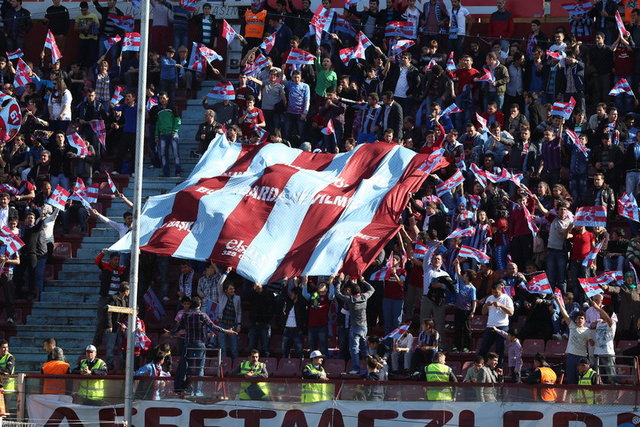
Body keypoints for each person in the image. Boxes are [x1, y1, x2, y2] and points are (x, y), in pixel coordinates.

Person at [168, 296, 237, 395]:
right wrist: (226, 330)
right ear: (200, 305)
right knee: (200, 368)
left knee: (189, 367)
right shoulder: (202, 315)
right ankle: (198, 391)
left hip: (188, 344)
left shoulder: (185, 315)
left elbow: (178, 327)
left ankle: (189, 389)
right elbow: (213, 326)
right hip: (200, 343)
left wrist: (170, 333)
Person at [335, 277, 375, 374]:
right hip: (364, 327)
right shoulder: (364, 297)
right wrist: (363, 281)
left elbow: (338, 294)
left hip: (355, 327)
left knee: (354, 349)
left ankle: (356, 369)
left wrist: (339, 282)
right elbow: (372, 289)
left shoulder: (350, 299)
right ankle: (370, 368)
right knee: (364, 348)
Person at [554, 294, 590, 384]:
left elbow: (591, 344)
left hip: (582, 357)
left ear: (585, 320)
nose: (580, 320)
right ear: (576, 320)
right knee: (570, 379)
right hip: (571, 356)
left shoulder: (588, 331)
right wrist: (558, 301)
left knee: (580, 380)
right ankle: (570, 398)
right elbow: (564, 314)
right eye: (578, 318)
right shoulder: (572, 326)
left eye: (582, 318)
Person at [478, 281, 514, 366]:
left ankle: (499, 369)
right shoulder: (490, 298)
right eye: (493, 292)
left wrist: (501, 305)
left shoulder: (506, 298)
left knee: (499, 349)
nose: (494, 294)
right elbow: (483, 312)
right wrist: (486, 305)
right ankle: (480, 366)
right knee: (483, 349)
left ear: (500, 289)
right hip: (490, 326)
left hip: (502, 326)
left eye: (496, 292)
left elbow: (511, 312)